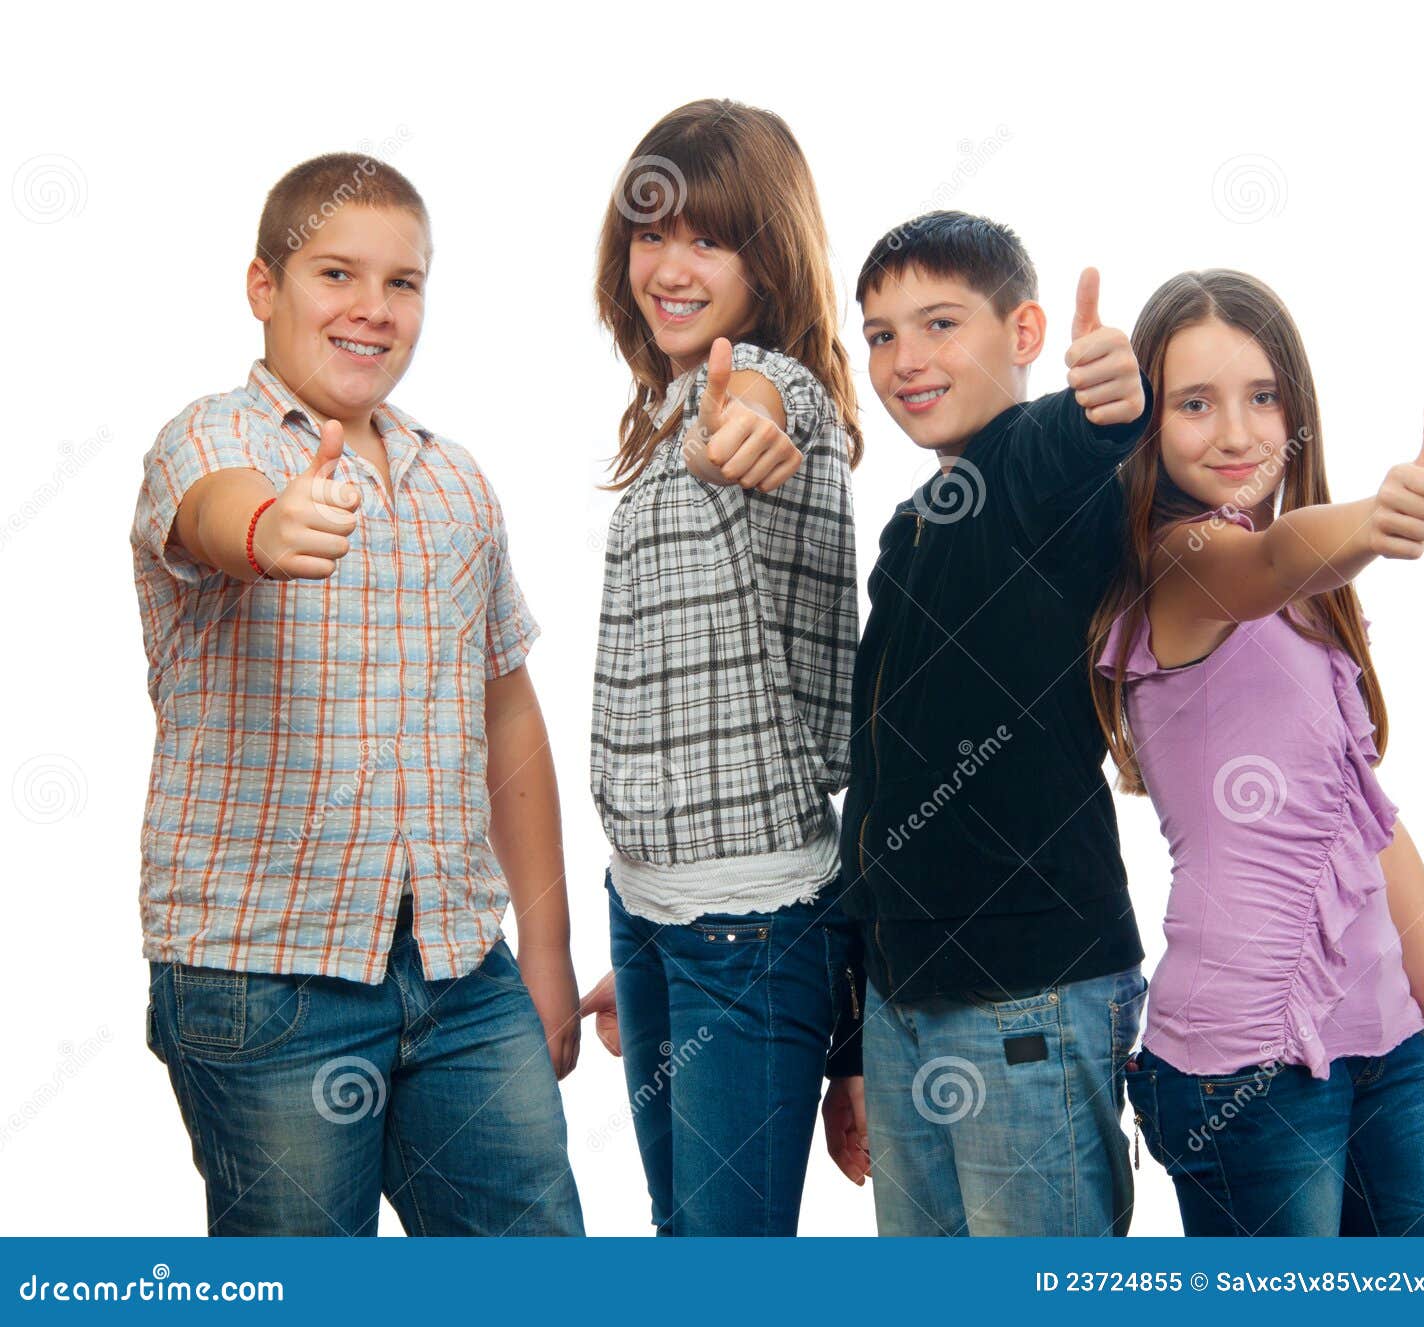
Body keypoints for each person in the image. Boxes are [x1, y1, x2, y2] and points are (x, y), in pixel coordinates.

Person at [132, 153, 583, 1236]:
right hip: (265, 979)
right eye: (337, 274)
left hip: (460, 974)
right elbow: (214, 514)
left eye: (403, 283)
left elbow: (508, 713)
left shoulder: (455, 479)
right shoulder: (207, 437)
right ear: (264, 289)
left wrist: (548, 950)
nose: (372, 311)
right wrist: (270, 528)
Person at [1090, 267, 1424, 1235]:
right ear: (1147, 425)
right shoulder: (1175, 571)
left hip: (1386, 1046)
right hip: (1246, 1073)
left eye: (1262, 397)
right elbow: (1264, 559)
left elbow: (1369, 825)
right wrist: (1369, 524)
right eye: (1195, 403)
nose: (1235, 430)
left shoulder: (1311, 601)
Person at [828, 210, 1152, 1236]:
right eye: (880, 335)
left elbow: (1077, 441)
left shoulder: (1030, 468)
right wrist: (852, 1042)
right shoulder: (913, 527)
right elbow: (874, 793)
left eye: (937, 325)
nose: (905, 360)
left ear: (1022, 335)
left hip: (1031, 995)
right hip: (904, 1002)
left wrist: (1111, 400)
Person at [577, 100, 863, 1237]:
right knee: (683, 1247)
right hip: (652, 913)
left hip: (744, 928)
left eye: (709, 237)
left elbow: (758, 412)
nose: (670, 265)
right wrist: (643, 916)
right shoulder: (660, 412)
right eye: (652, 233)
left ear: (770, 254)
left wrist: (738, 422)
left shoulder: (771, 391)